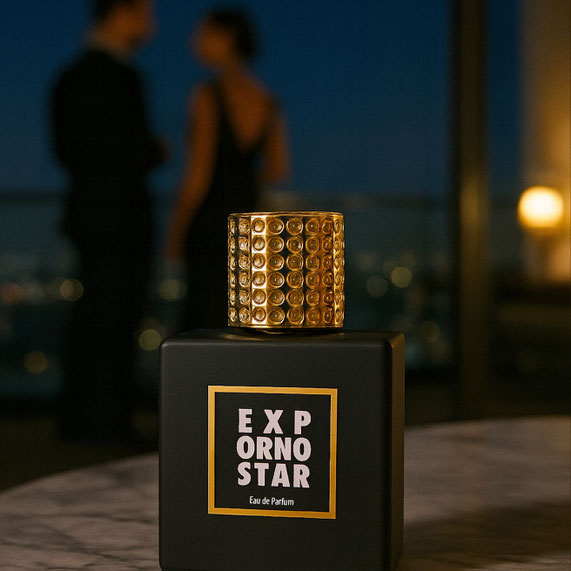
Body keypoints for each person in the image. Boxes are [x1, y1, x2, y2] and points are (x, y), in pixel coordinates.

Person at [51, 0, 166, 442]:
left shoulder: (70, 76)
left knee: (91, 317)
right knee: (117, 319)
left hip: (88, 215)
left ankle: (81, 417)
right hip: (123, 218)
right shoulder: (122, 77)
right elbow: (127, 149)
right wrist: (153, 151)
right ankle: (108, 420)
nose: (151, 24)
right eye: (146, 13)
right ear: (122, 12)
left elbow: (67, 150)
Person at [164, 8, 289, 329]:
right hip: (247, 224)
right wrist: (243, 183)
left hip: (209, 223)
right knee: (236, 315)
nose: (195, 42)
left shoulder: (207, 97)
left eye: (204, 34)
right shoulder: (266, 100)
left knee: (201, 317)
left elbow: (198, 175)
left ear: (227, 38)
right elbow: (278, 169)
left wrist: (176, 231)